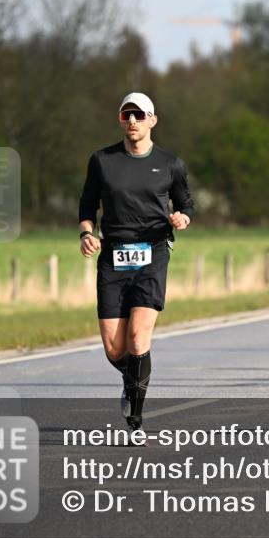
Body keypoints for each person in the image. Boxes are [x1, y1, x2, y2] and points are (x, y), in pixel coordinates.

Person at [79, 92, 195, 441]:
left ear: (152, 120)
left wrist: (183, 218)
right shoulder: (102, 160)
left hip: (153, 253)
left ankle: (136, 418)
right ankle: (133, 379)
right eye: (127, 115)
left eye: (139, 115)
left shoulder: (170, 163)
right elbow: (87, 204)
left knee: (138, 336)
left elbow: (187, 203)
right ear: (120, 120)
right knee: (115, 348)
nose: (133, 121)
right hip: (113, 255)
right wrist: (87, 233)